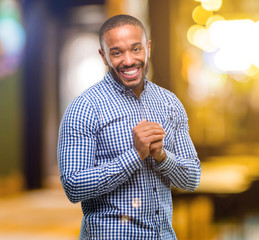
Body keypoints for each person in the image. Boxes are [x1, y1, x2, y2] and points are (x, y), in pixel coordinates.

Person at [57, 14, 201, 239]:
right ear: (103, 56)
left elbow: (192, 178)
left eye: (136, 49)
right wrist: (135, 155)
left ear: (148, 47)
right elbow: (73, 186)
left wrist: (162, 156)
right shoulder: (84, 108)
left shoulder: (169, 103)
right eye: (117, 52)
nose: (128, 60)